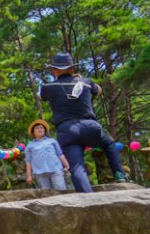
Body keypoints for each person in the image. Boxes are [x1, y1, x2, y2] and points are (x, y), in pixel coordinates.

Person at [39, 53, 128, 192]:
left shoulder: (47, 87)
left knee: (77, 168)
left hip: (67, 131)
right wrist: (81, 80)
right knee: (109, 144)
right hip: (90, 126)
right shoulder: (86, 82)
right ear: (72, 69)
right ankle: (119, 174)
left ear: (55, 70)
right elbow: (98, 90)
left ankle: (88, 198)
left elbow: (42, 97)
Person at [24, 119, 71, 190]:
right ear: (33, 132)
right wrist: (29, 176)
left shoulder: (52, 141)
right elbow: (28, 161)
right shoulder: (30, 146)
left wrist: (67, 166)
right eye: (37, 128)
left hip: (56, 170)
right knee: (46, 194)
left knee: (61, 190)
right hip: (40, 173)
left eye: (41, 128)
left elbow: (60, 154)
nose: (40, 129)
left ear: (44, 130)